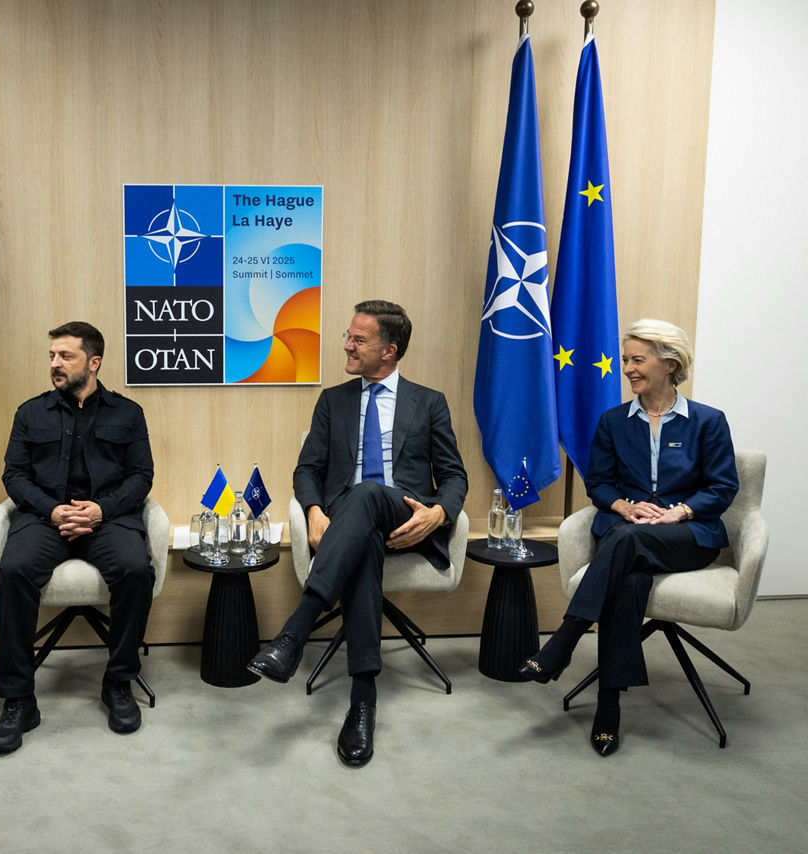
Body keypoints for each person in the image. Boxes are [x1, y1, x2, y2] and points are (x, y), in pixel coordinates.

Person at [248, 300, 467, 767]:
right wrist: (313, 511)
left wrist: (438, 514)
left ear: (389, 351)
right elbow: (307, 469)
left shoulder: (429, 402)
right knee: (362, 538)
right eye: (348, 336)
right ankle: (362, 703)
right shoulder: (334, 400)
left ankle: (294, 633)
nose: (346, 345)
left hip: (404, 515)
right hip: (348, 524)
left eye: (358, 339)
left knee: (367, 493)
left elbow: (454, 476)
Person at [518, 319, 738, 756]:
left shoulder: (708, 422)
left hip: (687, 536)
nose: (628, 369)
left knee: (625, 543)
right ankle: (608, 705)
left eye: (638, 360)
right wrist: (624, 506)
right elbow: (599, 483)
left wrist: (679, 511)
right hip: (628, 532)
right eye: (625, 360)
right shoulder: (614, 421)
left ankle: (565, 638)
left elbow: (722, 486)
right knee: (630, 578)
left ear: (669, 364)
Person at [0, 321, 155, 755]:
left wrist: (101, 510)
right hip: (46, 518)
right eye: (51, 356)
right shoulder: (30, 413)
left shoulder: (128, 413)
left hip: (107, 518)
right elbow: (14, 475)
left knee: (136, 569)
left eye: (66, 356)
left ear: (93, 362)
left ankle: (118, 682)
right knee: (14, 572)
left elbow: (141, 476)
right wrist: (52, 509)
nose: (55, 364)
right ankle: (19, 699)